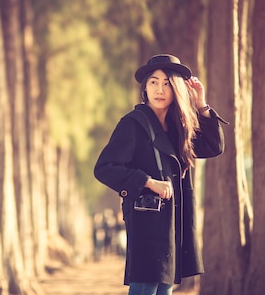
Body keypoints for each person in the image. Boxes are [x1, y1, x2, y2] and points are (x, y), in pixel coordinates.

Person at [94, 54, 226, 295]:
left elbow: (213, 146)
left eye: (166, 83)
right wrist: (147, 182)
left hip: (174, 219)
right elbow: (104, 168)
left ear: (176, 88)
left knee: (165, 285)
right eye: (153, 82)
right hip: (146, 217)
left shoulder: (179, 127)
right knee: (146, 283)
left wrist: (201, 105)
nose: (159, 89)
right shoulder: (133, 123)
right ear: (145, 87)